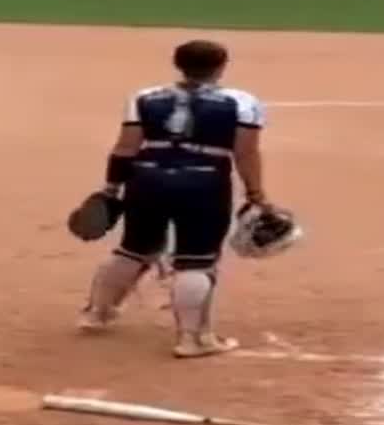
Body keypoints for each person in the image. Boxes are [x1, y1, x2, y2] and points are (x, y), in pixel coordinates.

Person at [78, 40, 273, 358]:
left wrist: (111, 188)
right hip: (204, 182)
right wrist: (256, 194)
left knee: (133, 248)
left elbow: (125, 148)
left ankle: (96, 314)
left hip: (147, 180)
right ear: (222, 65)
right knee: (197, 259)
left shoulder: (144, 97)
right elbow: (245, 152)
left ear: (177, 63)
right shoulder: (242, 102)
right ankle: (193, 339)